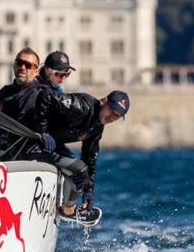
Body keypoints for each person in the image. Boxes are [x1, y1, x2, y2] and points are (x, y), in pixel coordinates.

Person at [36, 89, 131, 224]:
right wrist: (43, 132)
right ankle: (67, 210)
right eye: (112, 110)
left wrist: (88, 192)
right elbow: (46, 96)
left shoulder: (97, 127)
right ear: (104, 101)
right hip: (33, 139)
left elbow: (89, 158)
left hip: (51, 146)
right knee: (79, 170)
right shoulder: (82, 106)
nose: (112, 116)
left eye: (117, 116)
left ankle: (65, 204)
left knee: (81, 170)